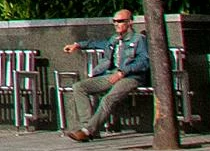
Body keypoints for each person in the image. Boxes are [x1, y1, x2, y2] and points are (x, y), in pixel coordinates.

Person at [62, 9, 153, 142]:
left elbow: (144, 62)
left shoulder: (138, 39)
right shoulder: (114, 39)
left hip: (130, 77)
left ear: (130, 22)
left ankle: (88, 131)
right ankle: (88, 128)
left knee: (108, 99)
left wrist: (122, 72)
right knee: (79, 87)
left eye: (120, 21)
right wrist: (77, 45)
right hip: (111, 75)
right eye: (114, 21)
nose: (116, 24)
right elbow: (97, 43)